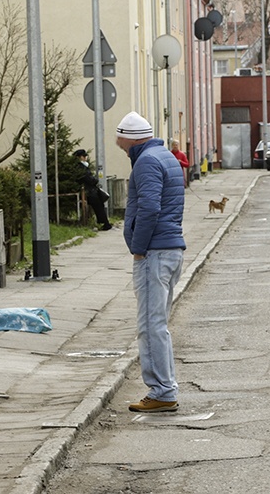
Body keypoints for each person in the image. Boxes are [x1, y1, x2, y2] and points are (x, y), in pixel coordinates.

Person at [115, 111, 186, 413]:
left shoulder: (146, 162)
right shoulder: (165, 156)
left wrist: (138, 248)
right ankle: (165, 387)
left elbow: (149, 209)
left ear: (129, 140)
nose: (119, 146)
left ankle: (162, 391)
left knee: (150, 325)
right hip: (170, 250)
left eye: (120, 141)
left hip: (154, 253)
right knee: (159, 324)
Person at [72, 149, 112, 231]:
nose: (85, 158)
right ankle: (104, 223)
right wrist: (95, 180)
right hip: (89, 191)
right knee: (98, 205)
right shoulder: (81, 167)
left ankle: (103, 222)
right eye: (84, 156)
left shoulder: (82, 167)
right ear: (80, 157)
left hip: (90, 190)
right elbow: (89, 179)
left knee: (100, 204)